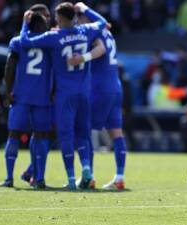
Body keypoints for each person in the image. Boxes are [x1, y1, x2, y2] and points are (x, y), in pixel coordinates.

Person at [19, 2, 107, 189]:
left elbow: (25, 42)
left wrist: (25, 24)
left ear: (61, 19)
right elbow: (103, 22)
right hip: (84, 92)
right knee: (83, 135)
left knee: (66, 136)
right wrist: (84, 9)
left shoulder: (54, 36)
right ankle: (86, 169)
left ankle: (70, 180)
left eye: (57, 18)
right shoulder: (85, 31)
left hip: (64, 94)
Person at [69, 8, 127, 190]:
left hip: (99, 87)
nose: (78, 23)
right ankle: (119, 177)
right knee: (116, 133)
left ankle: (90, 177)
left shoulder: (92, 31)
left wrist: (83, 58)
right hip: (115, 86)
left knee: (84, 130)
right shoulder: (108, 32)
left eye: (79, 18)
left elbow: (100, 49)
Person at [0, 9, 52, 189]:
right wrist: (53, 93)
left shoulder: (17, 42)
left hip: (20, 96)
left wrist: (8, 91)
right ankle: (39, 178)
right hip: (42, 98)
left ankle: (8, 177)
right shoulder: (50, 43)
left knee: (13, 134)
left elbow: (9, 67)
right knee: (41, 135)